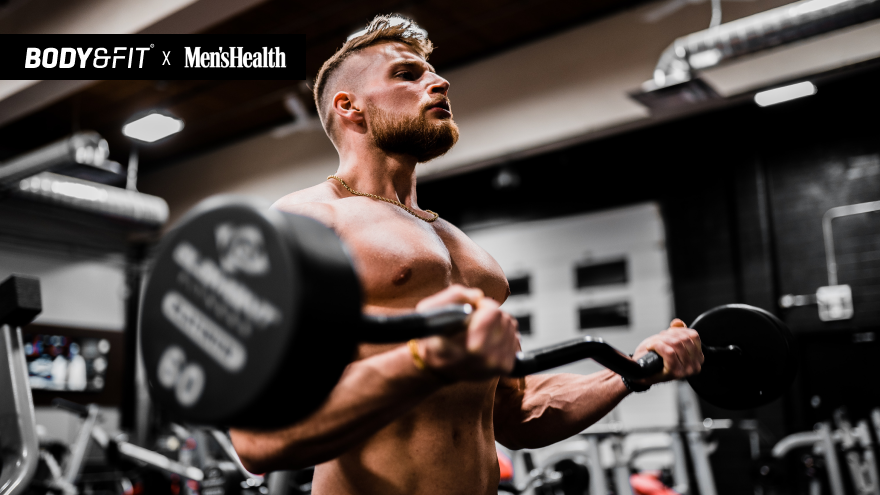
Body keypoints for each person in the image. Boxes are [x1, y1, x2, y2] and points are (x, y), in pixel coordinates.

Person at [229, 15, 703, 495]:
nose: (439, 81)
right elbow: (259, 439)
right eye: (408, 74)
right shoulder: (305, 222)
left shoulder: (459, 246)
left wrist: (632, 370)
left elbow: (516, 413)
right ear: (350, 106)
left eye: (431, 72)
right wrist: (422, 358)